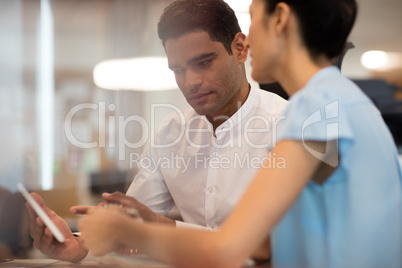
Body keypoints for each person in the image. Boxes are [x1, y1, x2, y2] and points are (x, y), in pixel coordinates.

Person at [78, 0, 402, 267]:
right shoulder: (341, 101)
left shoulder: (315, 109)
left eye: (253, 17)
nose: (248, 38)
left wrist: (128, 231)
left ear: (280, 20)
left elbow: (227, 249)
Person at [26, 0, 287, 263]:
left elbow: (268, 247)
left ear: (239, 49)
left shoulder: (285, 125)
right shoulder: (170, 134)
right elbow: (130, 225)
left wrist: (157, 227)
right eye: (178, 69)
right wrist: (79, 245)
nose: (191, 82)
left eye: (204, 62)